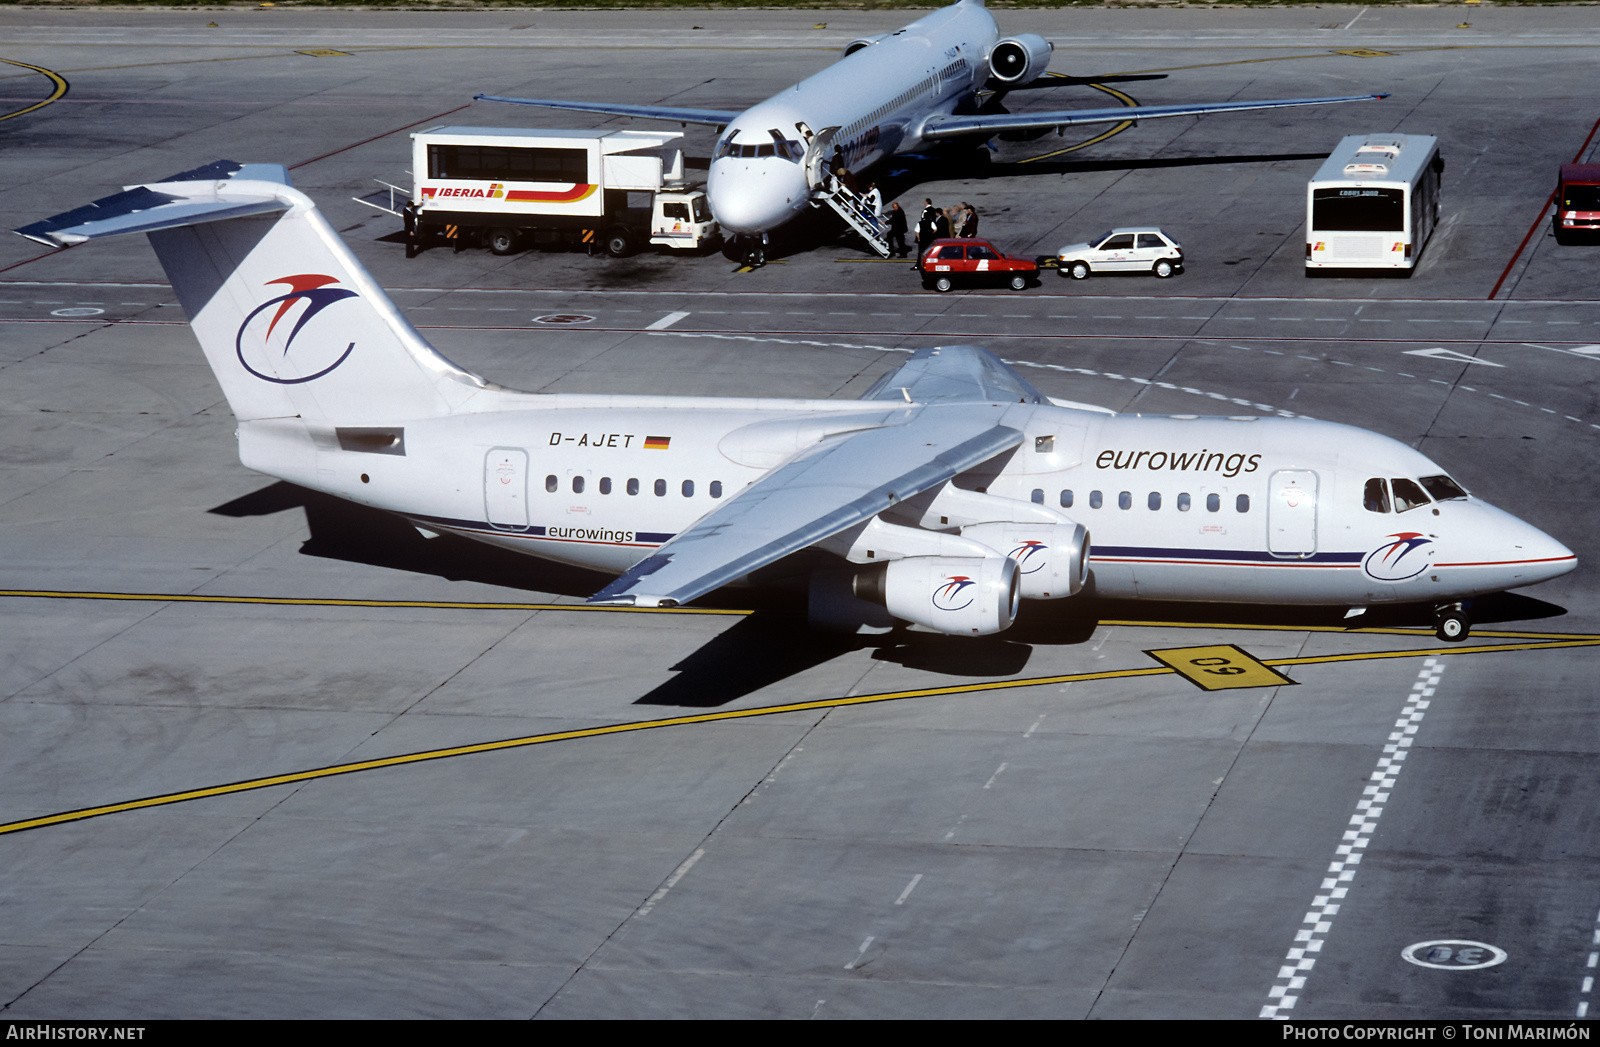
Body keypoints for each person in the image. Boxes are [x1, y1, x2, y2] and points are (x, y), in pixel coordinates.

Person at [915, 198, 938, 269]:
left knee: (921, 251)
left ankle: (919, 264)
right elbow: (935, 229)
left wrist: (918, 238)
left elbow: (917, 231)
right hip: (929, 235)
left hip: (923, 235)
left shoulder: (925, 211)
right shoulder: (933, 210)